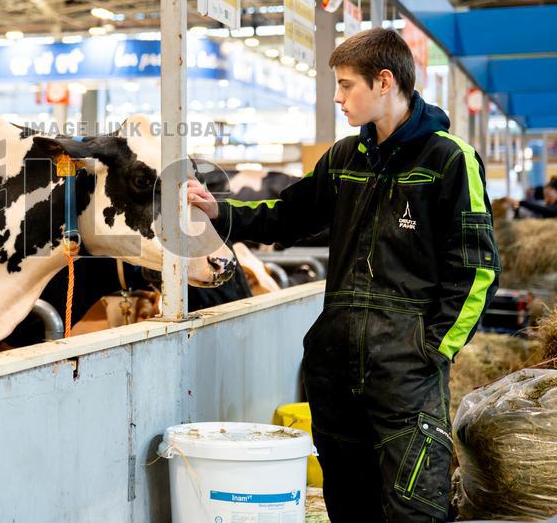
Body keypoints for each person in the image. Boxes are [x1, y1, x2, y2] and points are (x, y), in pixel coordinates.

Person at [188, 28, 500, 523]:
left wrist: (435, 348)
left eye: (346, 85)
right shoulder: (343, 159)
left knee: (413, 504)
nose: (337, 97)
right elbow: (285, 216)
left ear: (383, 82)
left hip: (405, 370)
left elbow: (477, 268)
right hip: (334, 365)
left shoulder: (448, 160)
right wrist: (221, 212)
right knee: (347, 502)